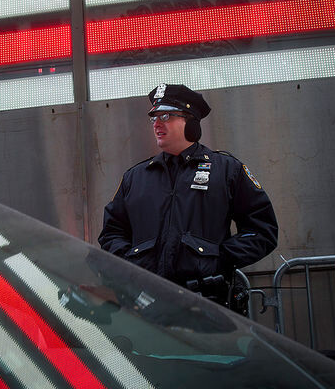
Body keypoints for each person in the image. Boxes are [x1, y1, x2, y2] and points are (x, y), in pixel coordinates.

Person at [98, 83, 278, 306]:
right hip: (145, 306)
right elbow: (111, 233)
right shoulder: (135, 177)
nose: (157, 124)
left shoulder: (226, 170)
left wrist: (219, 258)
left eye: (166, 116)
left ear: (191, 122)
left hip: (207, 306)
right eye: (153, 118)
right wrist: (132, 264)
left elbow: (262, 230)